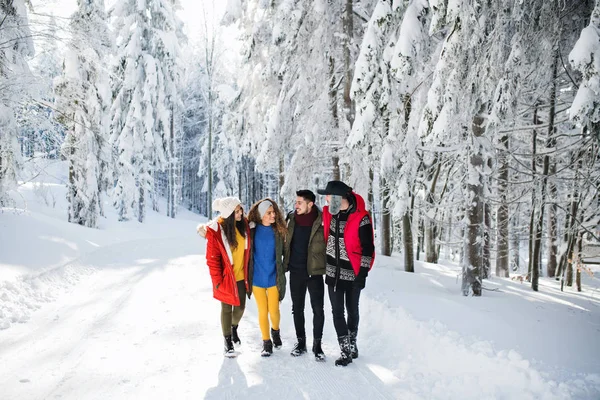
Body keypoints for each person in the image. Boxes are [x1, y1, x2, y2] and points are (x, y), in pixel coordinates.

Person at [317, 180, 375, 366]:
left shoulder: (361, 217)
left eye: (328, 196)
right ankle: (345, 351)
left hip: (352, 272)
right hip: (333, 271)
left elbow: (368, 248)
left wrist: (363, 274)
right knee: (337, 311)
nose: (325, 199)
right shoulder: (328, 213)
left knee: (352, 309)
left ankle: (352, 344)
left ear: (338, 198)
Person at [201, 197, 251, 357]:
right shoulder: (217, 233)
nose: (240, 213)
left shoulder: (244, 226)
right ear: (229, 214)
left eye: (240, 209)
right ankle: (227, 341)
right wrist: (217, 281)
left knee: (241, 308)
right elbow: (212, 260)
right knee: (226, 309)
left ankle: (233, 327)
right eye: (236, 211)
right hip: (226, 277)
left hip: (241, 276)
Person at [283, 190, 326, 361]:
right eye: (296, 202)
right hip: (296, 271)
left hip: (314, 272)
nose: (296, 205)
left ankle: (317, 345)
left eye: (300, 202)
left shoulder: (322, 220)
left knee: (318, 310)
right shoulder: (291, 219)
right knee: (297, 309)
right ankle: (301, 343)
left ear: (310, 204)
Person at [247, 198, 287, 357]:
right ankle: (266, 342)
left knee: (274, 311)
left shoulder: (278, 232)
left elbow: (286, 251)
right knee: (262, 311)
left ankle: (275, 331)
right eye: (269, 213)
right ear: (261, 215)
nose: (273, 215)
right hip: (257, 278)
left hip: (273, 278)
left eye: (274, 212)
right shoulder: (252, 231)